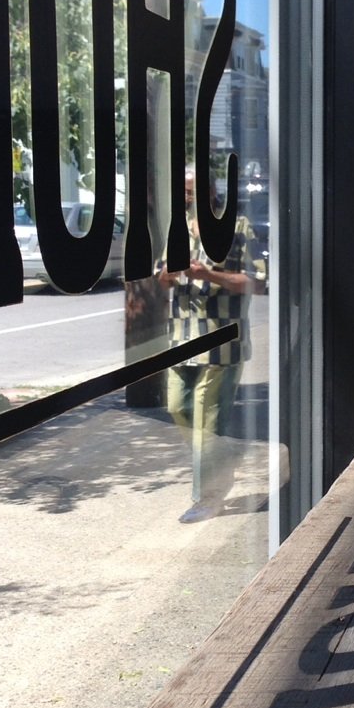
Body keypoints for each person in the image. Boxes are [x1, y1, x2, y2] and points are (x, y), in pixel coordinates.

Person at [156, 170, 257, 523]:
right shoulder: (178, 227)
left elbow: (256, 282)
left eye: (191, 191)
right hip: (180, 337)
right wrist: (169, 272)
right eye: (183, 192)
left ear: (210, 190)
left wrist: (208, 274)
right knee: (176, 407)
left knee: (206, 420)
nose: (186, 198)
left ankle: (208, 497)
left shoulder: (238, 227)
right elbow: (162, 277)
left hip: (221, 339)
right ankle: (224, 460)